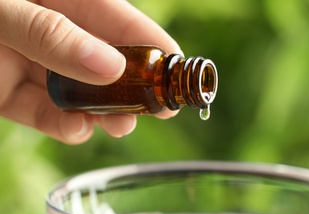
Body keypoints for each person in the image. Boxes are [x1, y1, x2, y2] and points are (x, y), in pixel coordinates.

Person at [0, 0, 182, 145]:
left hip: (47, 88)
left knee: (88, 127)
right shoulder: (153, 58)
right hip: (58, 86)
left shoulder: (154, 100)